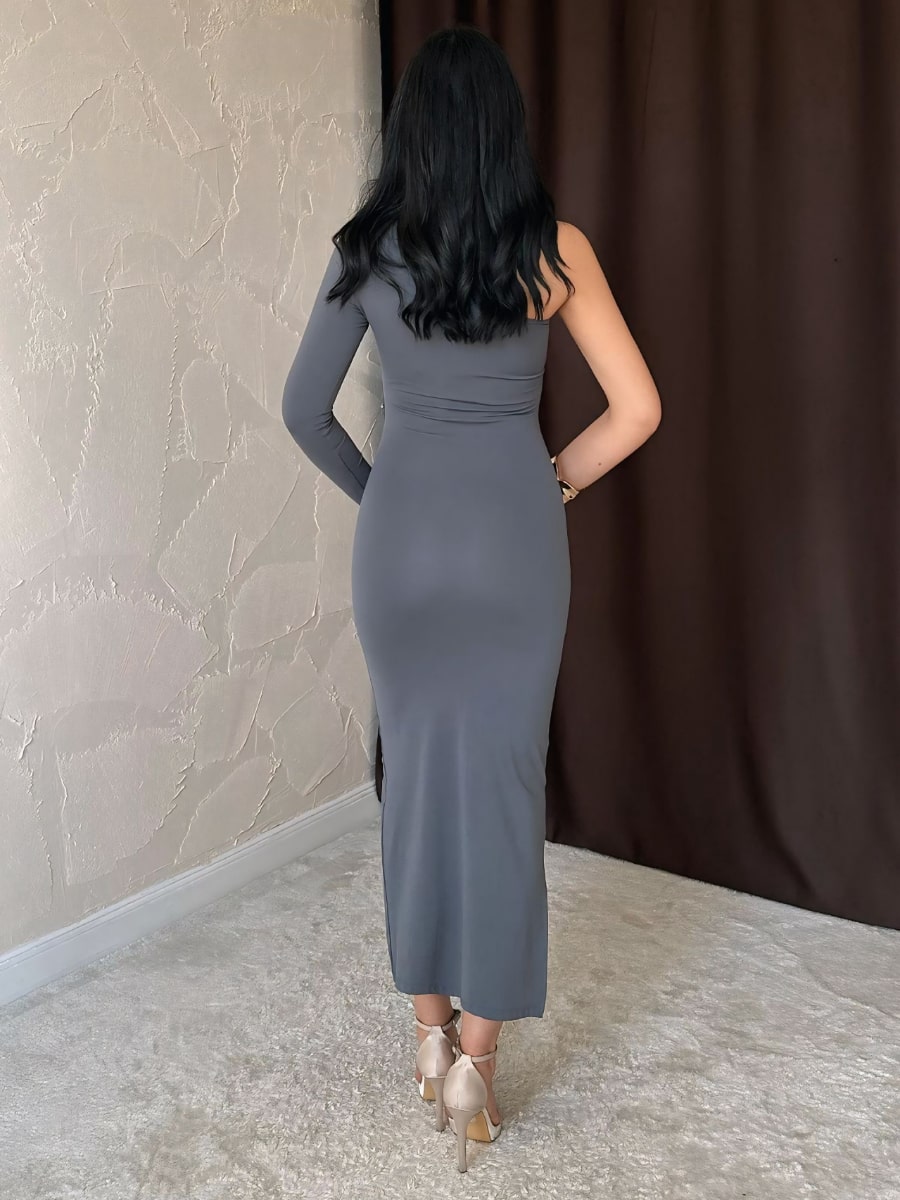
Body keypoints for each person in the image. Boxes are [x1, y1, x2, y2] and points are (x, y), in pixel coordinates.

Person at [281, 24, 661, 1173]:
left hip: (400, 549)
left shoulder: (365, 251)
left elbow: (303, 411)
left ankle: (426, 1036)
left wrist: (384, 496)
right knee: (502, 790)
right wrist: (553, 481)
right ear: (506, 131)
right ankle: (477, 1071)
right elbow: (637, 409)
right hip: (513, 547)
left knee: (411, 787)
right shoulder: (554, 249)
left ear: (413, 135)